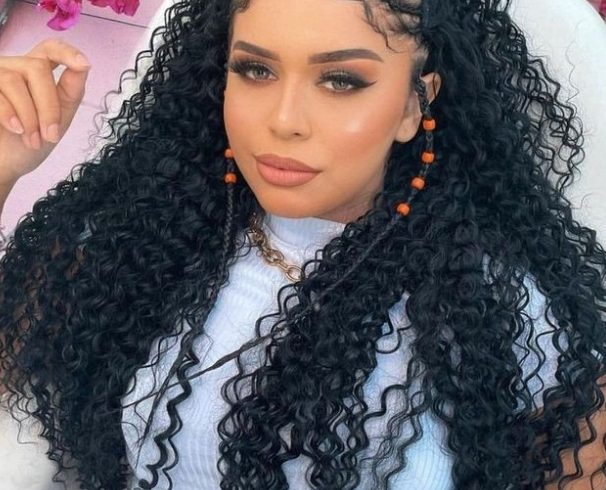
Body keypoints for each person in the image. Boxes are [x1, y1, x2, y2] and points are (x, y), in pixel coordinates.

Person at [0, 0, 605, 489]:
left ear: (413, 104)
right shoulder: (140, 243)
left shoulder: (511, 313)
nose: (285, 120)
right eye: (255, 70)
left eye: (341, 80)